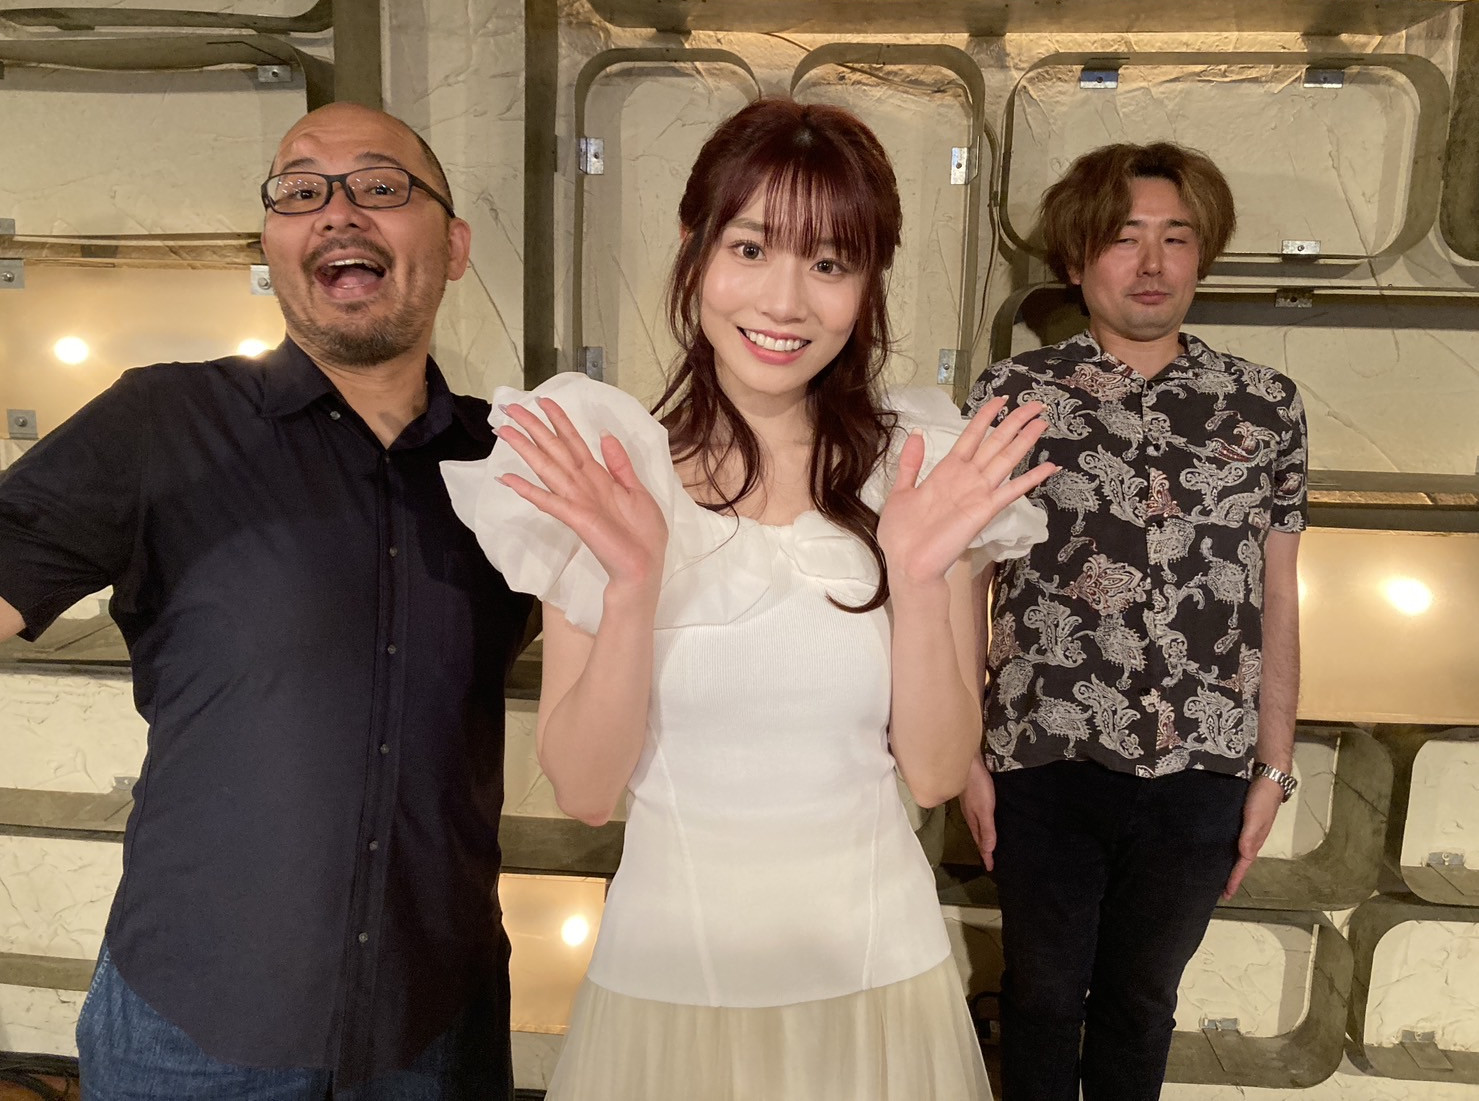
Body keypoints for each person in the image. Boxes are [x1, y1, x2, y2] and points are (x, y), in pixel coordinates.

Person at [444, 97, 1056, 1100]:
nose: (785, 301)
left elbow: (937, 770)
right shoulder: (608, 468)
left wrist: (915, 572)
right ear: (694, 250)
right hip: (670, 984)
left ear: (867, 285)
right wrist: (634, 584)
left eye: (830, 263)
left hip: (876, 980)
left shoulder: (920, 467)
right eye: (751, 247)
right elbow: (586, 791)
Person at [0, 102, 530, 1098]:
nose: (338, 209)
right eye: (300, 190)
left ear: (454, 246)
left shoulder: (520, 464)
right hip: (192, 1022)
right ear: (273, 248)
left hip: (433, 1022)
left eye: (380, 185)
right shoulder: (163, 421)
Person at [959, 141, 1308, 1100]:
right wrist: (963, 758)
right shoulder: (1011, 397)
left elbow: (1277, 593)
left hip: (1202, 763)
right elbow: (963, 580)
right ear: (1077, 258)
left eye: (1174, 238)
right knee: (1039, 998)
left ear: (1202, 254)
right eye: (1123, 238)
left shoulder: (1265, 407)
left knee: (1143, 1002)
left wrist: (1274, 765)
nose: (1151, 263)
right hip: (1042, 755)